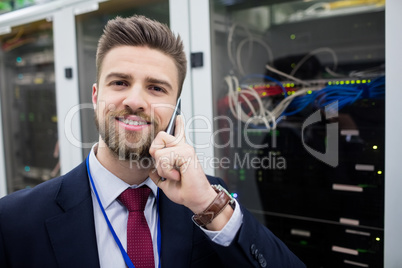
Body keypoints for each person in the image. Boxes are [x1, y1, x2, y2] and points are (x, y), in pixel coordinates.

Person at [0, 15, 305, 268]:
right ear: (96, 97)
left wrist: (207, 204)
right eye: (120, 82)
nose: (135, 101)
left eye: (156, 88)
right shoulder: (14, 221)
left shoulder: (204, 201)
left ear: (177, 108)